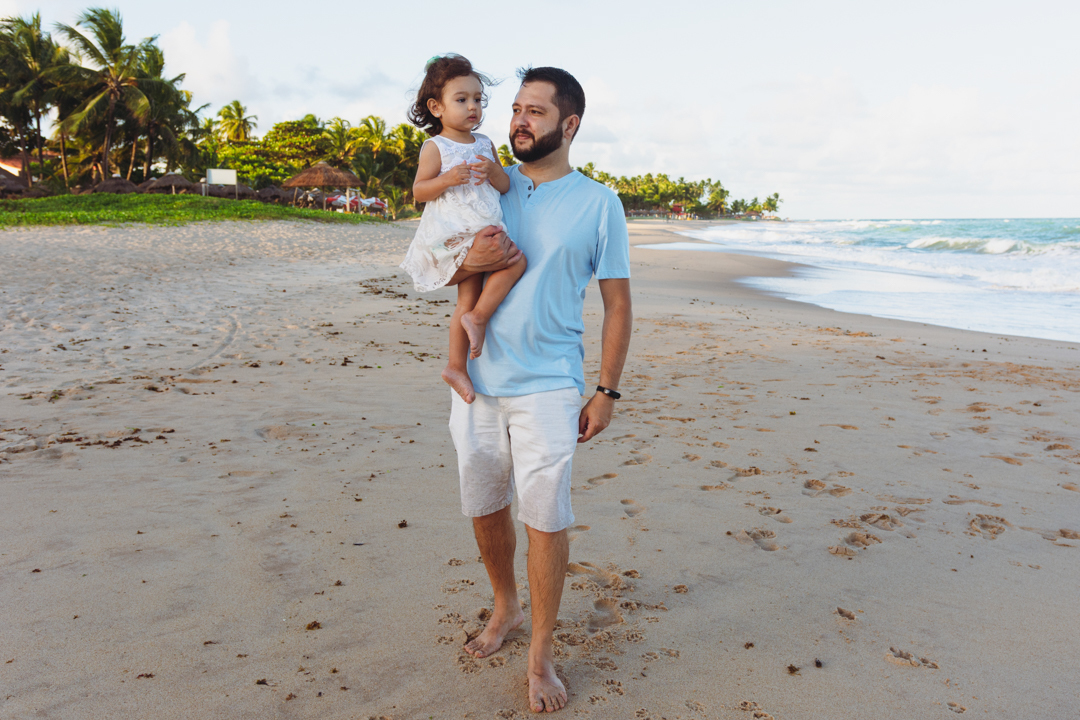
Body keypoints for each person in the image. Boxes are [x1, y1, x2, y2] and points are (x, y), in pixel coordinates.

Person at [446, 66, 633, 714]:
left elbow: (617, 304)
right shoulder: (488, 187)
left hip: (551, 384)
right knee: (484, 504)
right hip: (477, 381)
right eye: (516, 109)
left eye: (535, 111)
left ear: (569, 124)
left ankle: (541, 654)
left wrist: (606, 391)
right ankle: (506, 607)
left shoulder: (599, 203)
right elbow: (444, 266)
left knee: (546, 516)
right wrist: (465, 263)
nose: (518, 121)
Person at [400, 54, 527, 404]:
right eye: (461, 99)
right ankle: (478, 320)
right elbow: (419, 191)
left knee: (472, 295)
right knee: (515, 260)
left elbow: (504, 186)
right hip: (453, 236)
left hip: (482, 230)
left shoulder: (485, 144)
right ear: (436, 107)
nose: (472, 107)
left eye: (477, 99)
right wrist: (446, 179)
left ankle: (457, 363)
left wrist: (494, 172)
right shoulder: (436, 147)